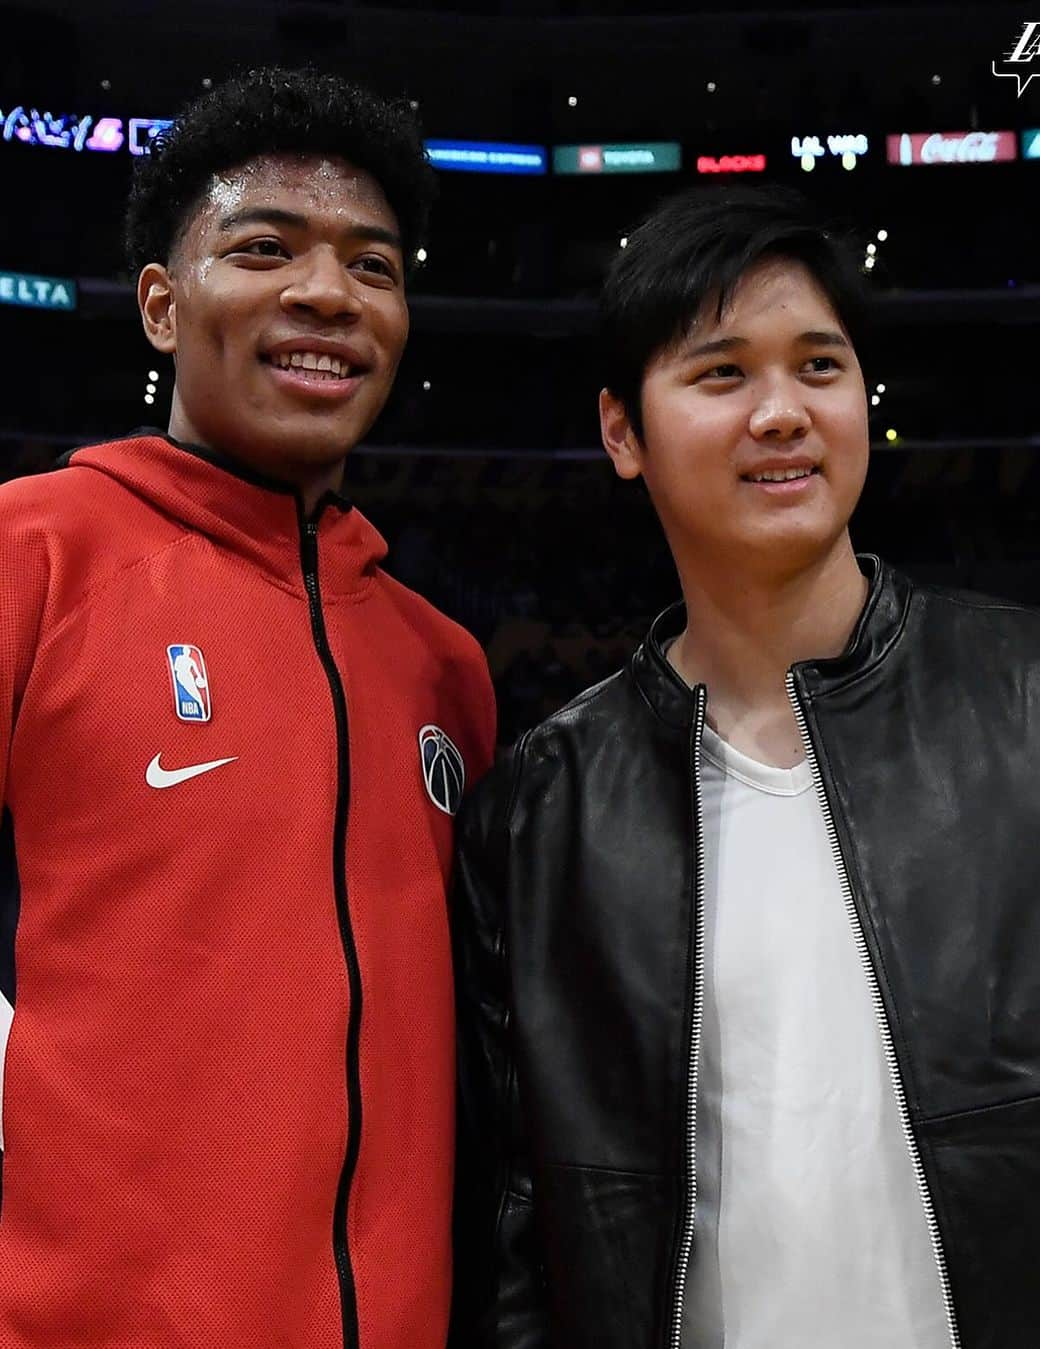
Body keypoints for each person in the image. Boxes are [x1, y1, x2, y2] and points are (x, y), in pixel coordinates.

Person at [452, 183, 1040, 1349]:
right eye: (724, 372)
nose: (783, 412)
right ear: (621, 432)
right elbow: (515, 1240)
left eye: (820, 366)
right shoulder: (539, 817)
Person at [0, 67, 495, 1349]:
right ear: (163, 306)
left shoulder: (444, 666)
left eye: (371, 266)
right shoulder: (32, 553)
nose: (325, 292)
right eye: (264, 248)